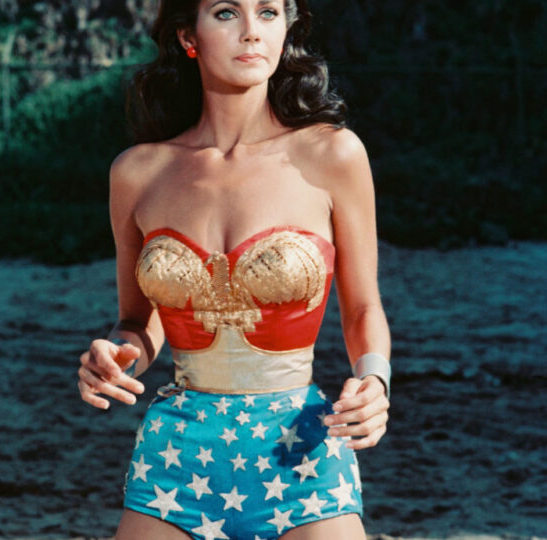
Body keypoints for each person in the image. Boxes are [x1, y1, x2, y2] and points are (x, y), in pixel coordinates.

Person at [77, 0, 392, 538]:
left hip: (302, 449)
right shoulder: (137, 172)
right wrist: (115, 354)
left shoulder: (333, 155)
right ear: (188, 37)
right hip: (177, 454)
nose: (251, 31)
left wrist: (374, 380)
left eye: (267, 12)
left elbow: (363, 307)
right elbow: (137, 320)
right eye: (227, 13)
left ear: (286, 28)